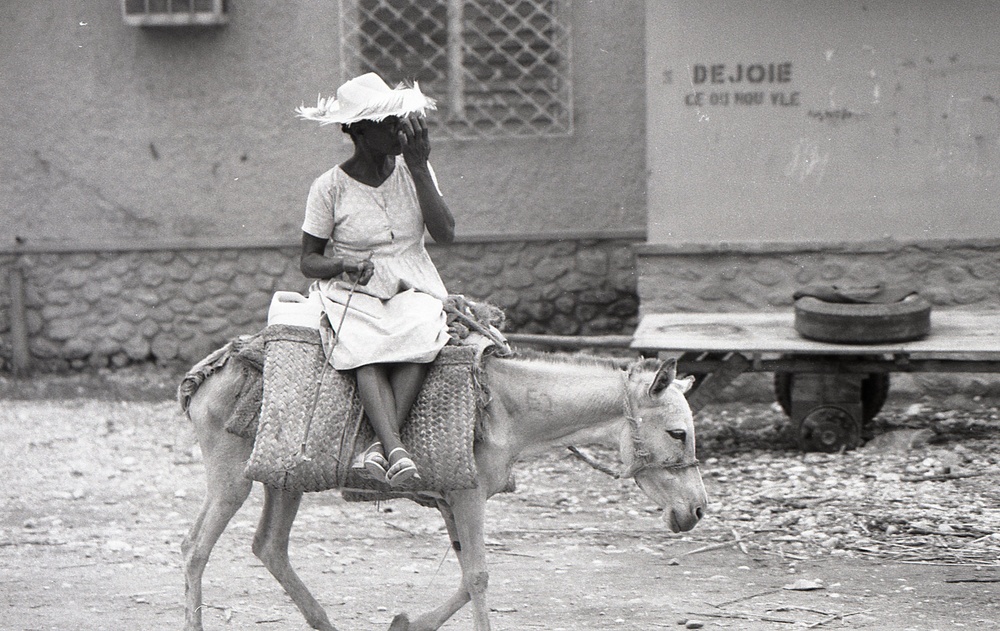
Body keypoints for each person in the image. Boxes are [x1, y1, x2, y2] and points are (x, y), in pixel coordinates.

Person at [295, 73, 455, 487]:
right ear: (359, 131)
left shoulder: (414, 170)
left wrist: (418, 167)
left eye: (399, 118)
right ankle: (395, 449)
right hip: (355, 287)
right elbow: (308, 260)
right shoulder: (329, 187)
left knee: (423, 327)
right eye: (387, 122)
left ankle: (378, 449)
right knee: (364, 344)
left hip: (414, 280)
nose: (400, 128)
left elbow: (446, 234)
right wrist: (342, 264)